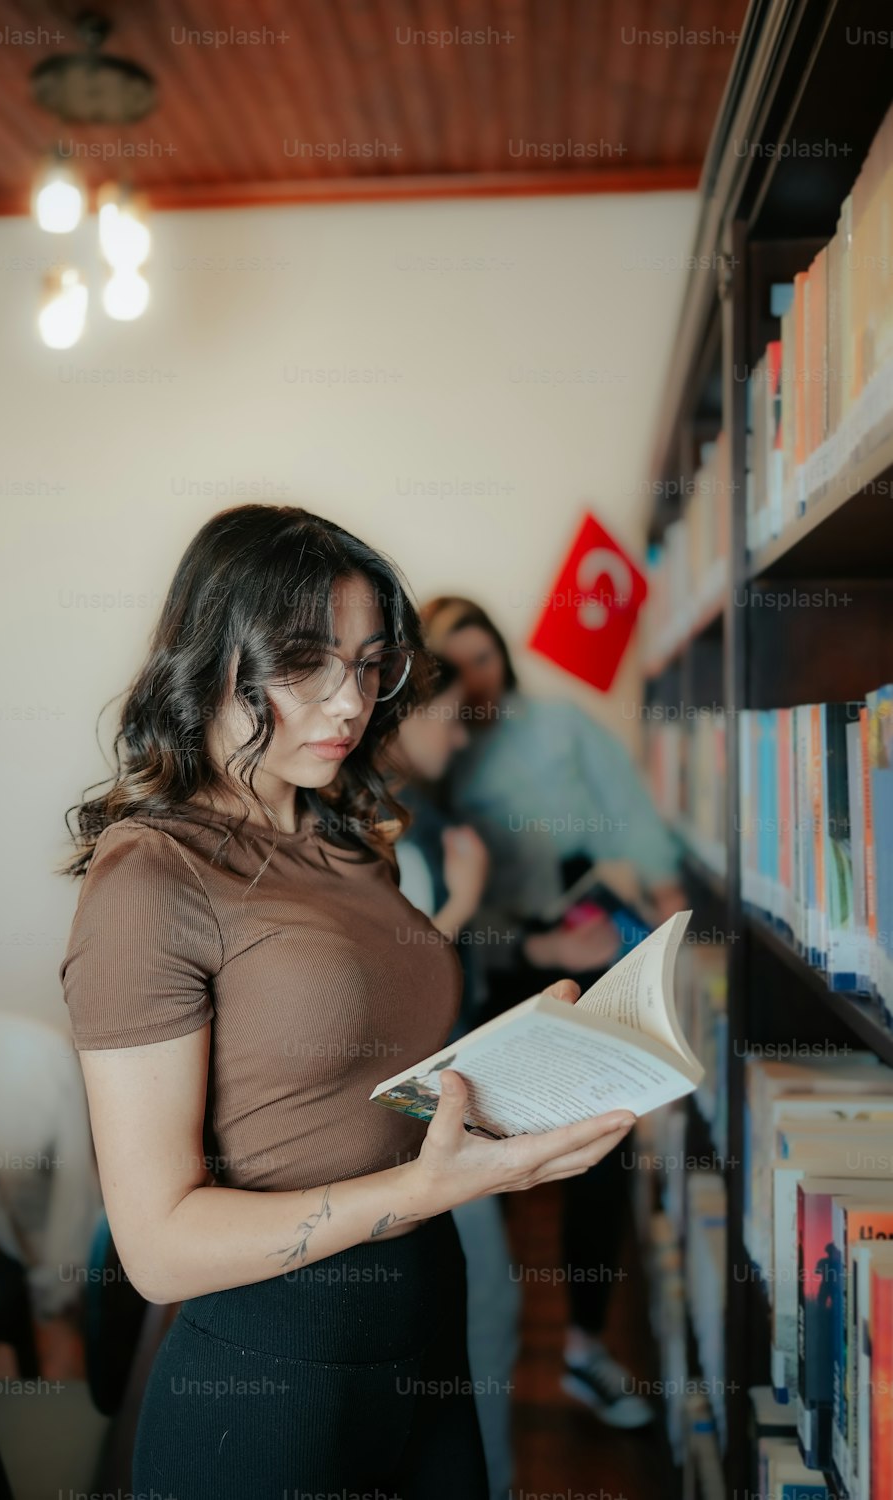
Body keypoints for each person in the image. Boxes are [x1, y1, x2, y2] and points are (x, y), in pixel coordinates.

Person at [57, 505, 639, 1500]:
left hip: (424, 1333)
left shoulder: (345, 840)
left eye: (370, 664)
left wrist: (517, 1071)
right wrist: (418, 1194)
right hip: (268, 1379)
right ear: (207, 657)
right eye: (304, 663)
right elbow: (155, 1248)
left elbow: (360, 1086)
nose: (348, 703)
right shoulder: (151, 878)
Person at [421, 595, 687, 1429]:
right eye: (453, 666)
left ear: (503, 653)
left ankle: (583, 1344)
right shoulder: (440, 760)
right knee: (484, 1151)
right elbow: (455, 921)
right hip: (500, 967)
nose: (475, 681)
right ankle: (475, 1338)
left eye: (484, 657)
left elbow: (635, 820)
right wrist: (532, 949)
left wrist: (662, 905)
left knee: (605, 1142)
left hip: (591, 947)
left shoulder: (565, 726)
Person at [381, 651, 520, 1500]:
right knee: (486, 1314)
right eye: (443, 715)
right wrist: (463, 904)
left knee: (475, 1315)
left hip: (430, 1101)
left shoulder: (421, 816)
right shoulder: (389, 828)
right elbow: (396, 986)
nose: (457, 736)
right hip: (413, 1114)